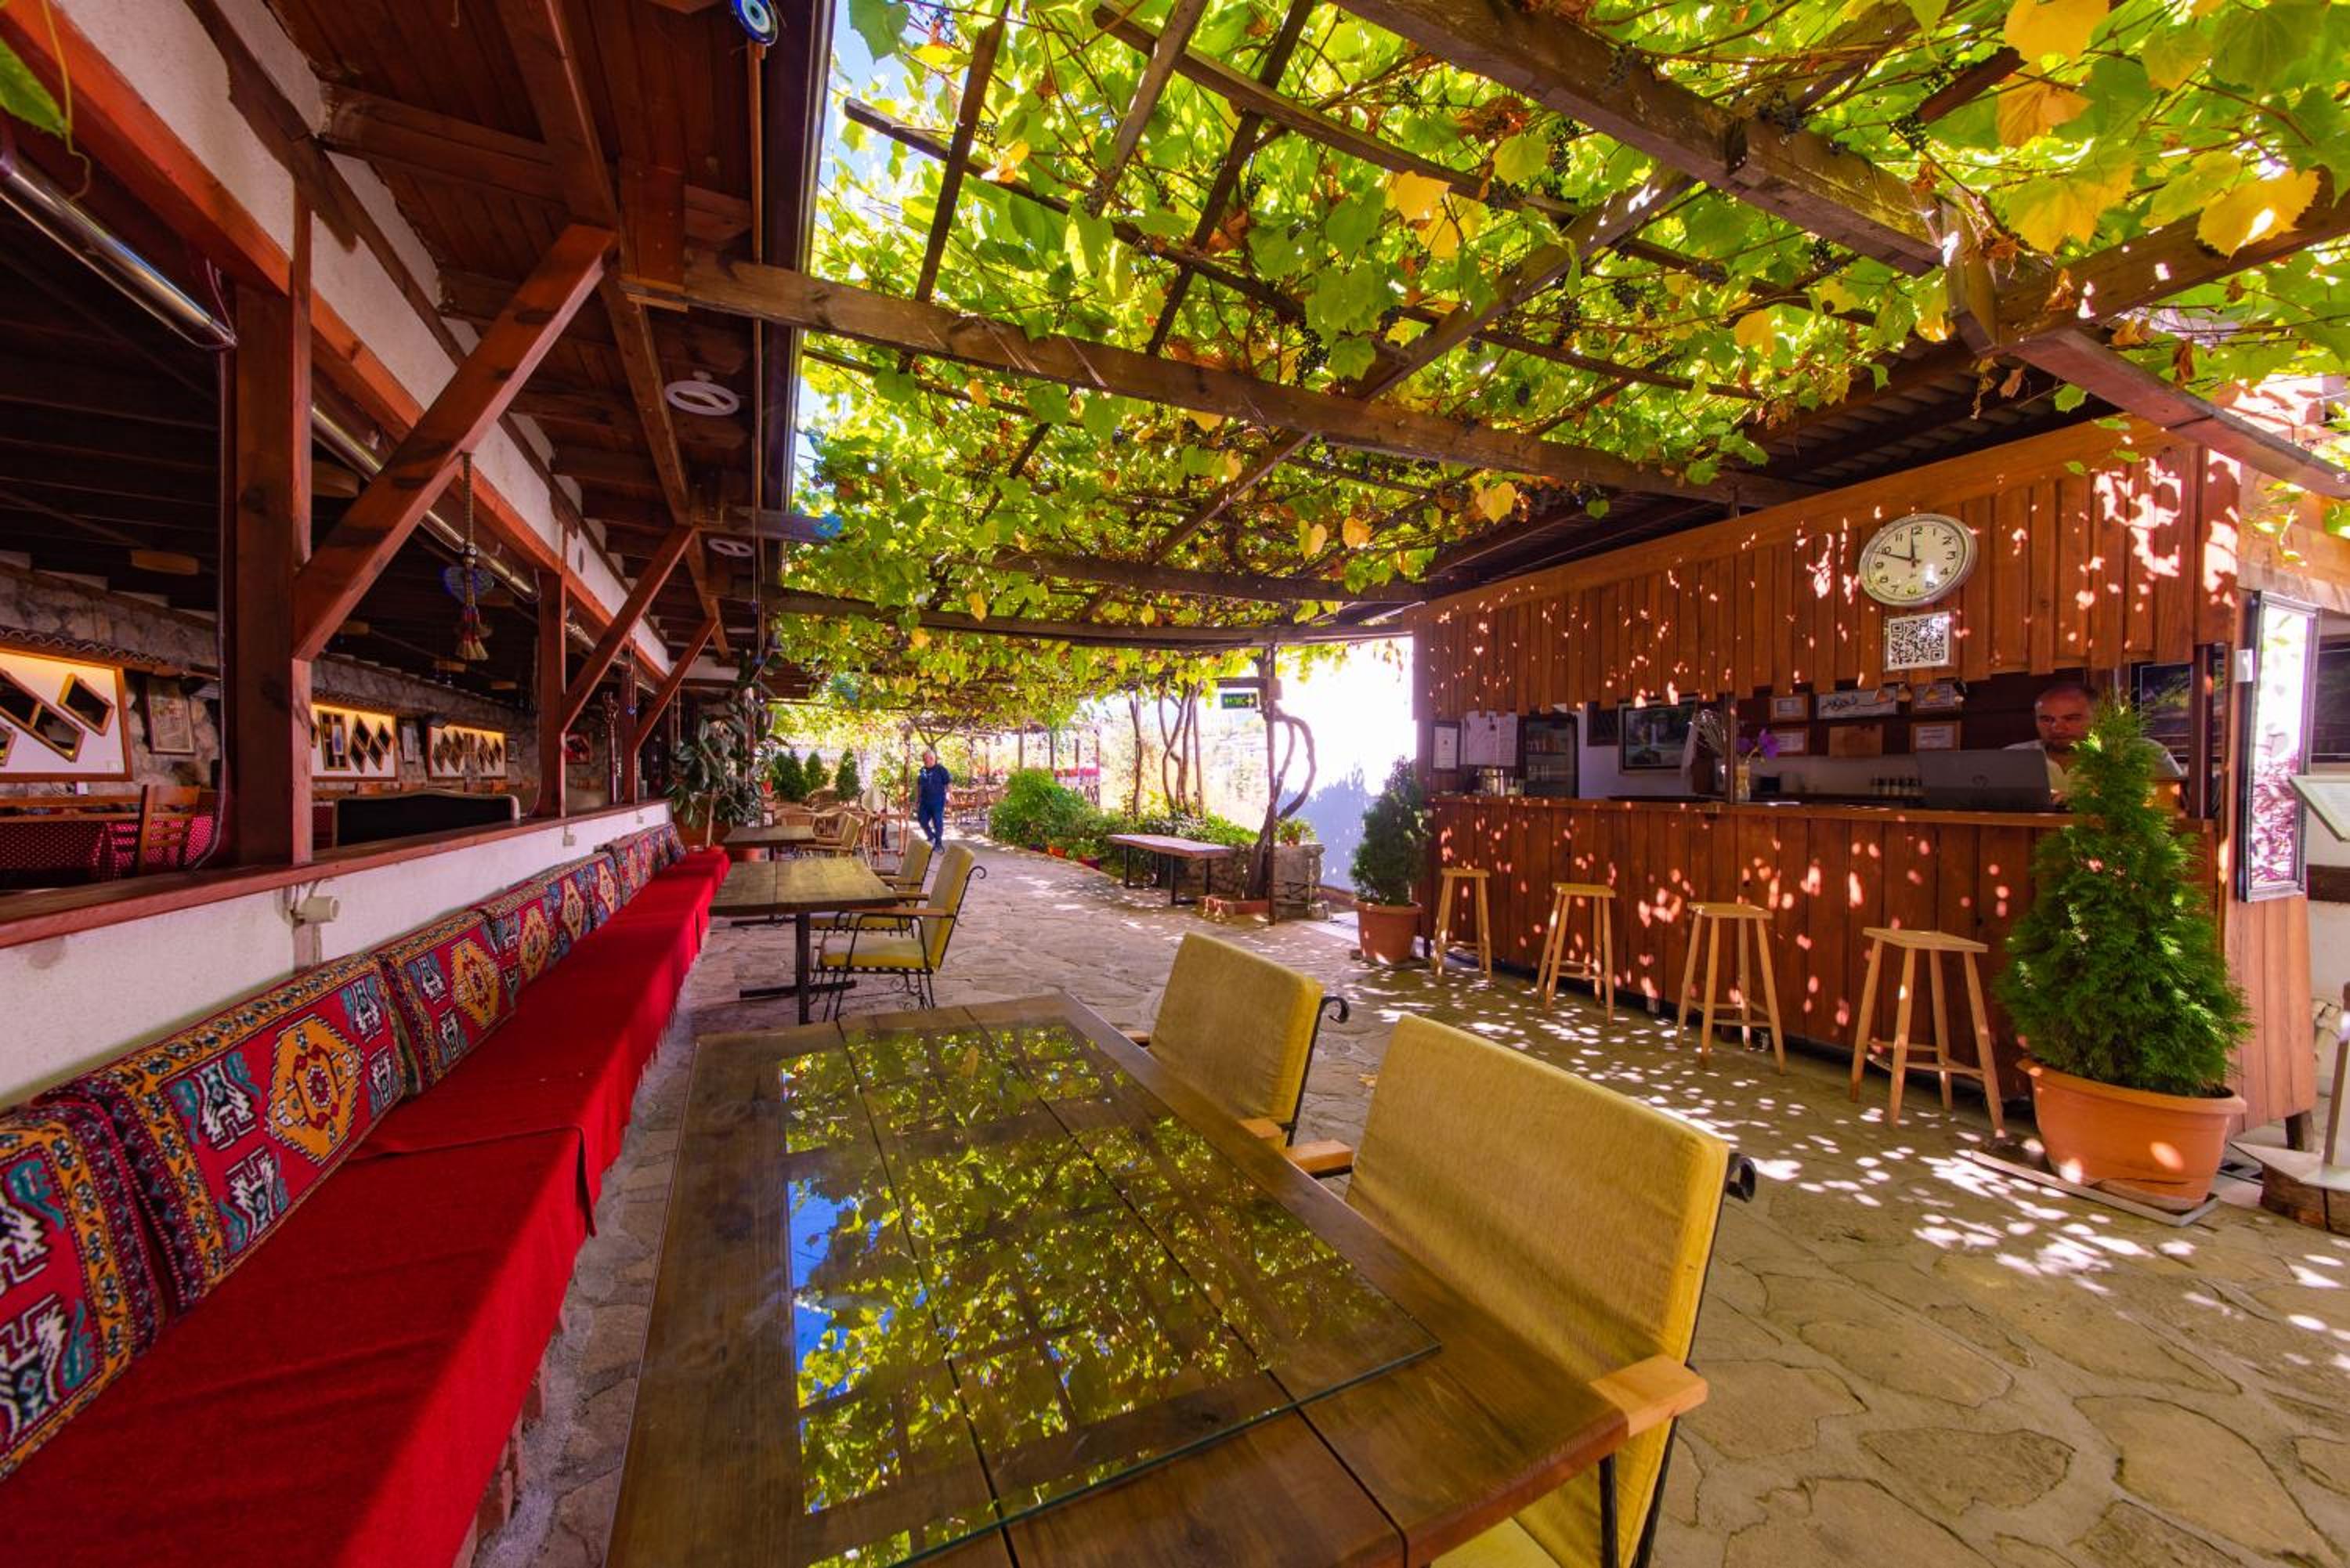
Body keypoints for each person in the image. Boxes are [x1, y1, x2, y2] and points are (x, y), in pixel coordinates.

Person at [2006, 679, 2183, 804]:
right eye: (2046, 719)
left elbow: (2174, 806)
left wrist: (2091, 803)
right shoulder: (2012, 757)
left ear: (2099, 719)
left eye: (2071, 719)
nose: (2057, 728)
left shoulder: (2143, 752)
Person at [915, 749, 951, 850]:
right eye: (923, 759)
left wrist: (948, 796)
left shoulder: (941, 770)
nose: (924, 761)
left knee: (937, 822)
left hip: (938, 800)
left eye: (925, 759)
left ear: (932, 759)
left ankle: (938, 843)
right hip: (924, 800)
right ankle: (931, 836)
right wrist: (917, 799)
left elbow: (948, 784)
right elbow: (919, 786)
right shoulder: (922, 770)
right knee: (922, 820)